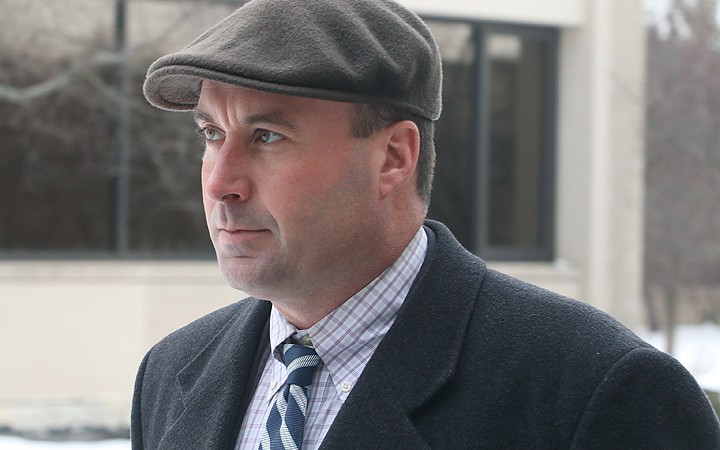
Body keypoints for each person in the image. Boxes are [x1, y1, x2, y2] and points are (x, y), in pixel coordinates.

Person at [131, 0, 720, 448]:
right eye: (212, 135)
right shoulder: (173, 372)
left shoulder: (595, 391)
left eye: (268, 137)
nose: (219, 182)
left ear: (393, 157)